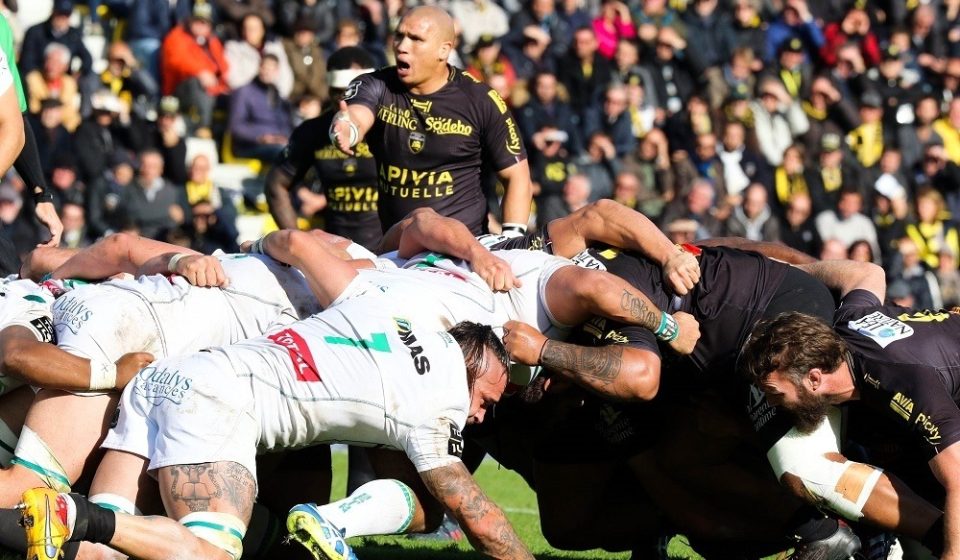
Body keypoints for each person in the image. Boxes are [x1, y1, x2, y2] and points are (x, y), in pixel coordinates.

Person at [741, 261, 960, 558]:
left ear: (815, 378)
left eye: (775, 393)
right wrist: (789, 273)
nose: (769, 403)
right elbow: (868, 273)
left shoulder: (904, 381)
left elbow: (958, 478)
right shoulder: (849, 321)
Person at [328, 6, 533, 236]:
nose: (402, 46)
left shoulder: (481, 100)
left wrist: (511, 239)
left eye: (416, 39)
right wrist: (347, 129)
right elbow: (356, 114)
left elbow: (516, 175)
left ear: (444, 50)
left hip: (465, 255)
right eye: (399, 36)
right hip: (399, 253)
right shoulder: (375, 84)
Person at [266, 46, 382, 250]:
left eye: (353, 92)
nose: (344, 100)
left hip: (391, 253)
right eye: (338, 93)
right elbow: (276, 185)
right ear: (328, 90)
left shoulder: (391, 128)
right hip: (336, 252)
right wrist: (298, 245)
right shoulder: (313, 132)